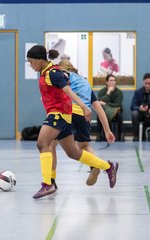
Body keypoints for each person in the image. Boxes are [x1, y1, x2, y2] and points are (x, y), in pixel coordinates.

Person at [27, 45, 119, 199]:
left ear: (39, 59)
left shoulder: (52, 73)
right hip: (63, 114)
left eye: (31, 62)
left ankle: (48, 183)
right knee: (73, 152)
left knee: (42, 144)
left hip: (59, 114)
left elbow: (68, 91)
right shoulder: (48, 73)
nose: (31, 65)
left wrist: (83, 107)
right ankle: (108, 167)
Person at [49, 60, 116, 188]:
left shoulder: (64, 75)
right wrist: (107, 130)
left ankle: (51, 180)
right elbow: (99, 109)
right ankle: (95, 165)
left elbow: (64, 88)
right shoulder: (85, 83)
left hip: (68, 112)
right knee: (84, 145)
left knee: (50, 144)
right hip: (84, 116)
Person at [97, 74, 124, 141]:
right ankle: (99, 135)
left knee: (119, 115)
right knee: (100, 114)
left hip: (116, 110)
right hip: (104, 110)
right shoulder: (102, 91)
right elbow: (100, 102)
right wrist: (108, 92)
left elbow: (117, 104)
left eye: (114, 80)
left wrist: (106, 104)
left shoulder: (119, 92)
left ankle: (121, 135)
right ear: (107, 82)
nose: (113, 82)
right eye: (111, 80)